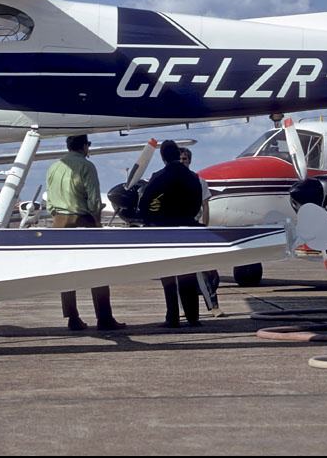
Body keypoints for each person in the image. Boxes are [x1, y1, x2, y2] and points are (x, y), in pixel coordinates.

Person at [45, 133, 126, 332]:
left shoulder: (53, 167)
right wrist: (96, 220)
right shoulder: (86, 166)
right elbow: (93, 201)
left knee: (66, 274)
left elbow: (49, 204)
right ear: (84, 146)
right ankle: (104, 318)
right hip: (83, 221)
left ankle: (73, 318)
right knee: (97, 272)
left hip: (58, 224)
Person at [139, 140, 204, 328]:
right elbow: (196, 204)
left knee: (168, 275)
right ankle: (193, 316)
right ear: (178, 154)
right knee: (188, 273)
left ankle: (173, 317)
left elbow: (146, 204)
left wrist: (153, 220)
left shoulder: (158, 177)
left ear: (163, 157)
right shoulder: (193, 177)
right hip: (188, 227)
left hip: (165, 230)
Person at [180, 147, 220, 315]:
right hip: (179, 228)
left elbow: (205, 205)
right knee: (180, 271)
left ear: (190, 161)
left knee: (204, 268)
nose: (183, 162)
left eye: (185, 159)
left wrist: (206, 226)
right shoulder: (174, 181)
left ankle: (214, 306)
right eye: (180, 159)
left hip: (194, 226)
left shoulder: (199, 181)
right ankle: (184, 308)